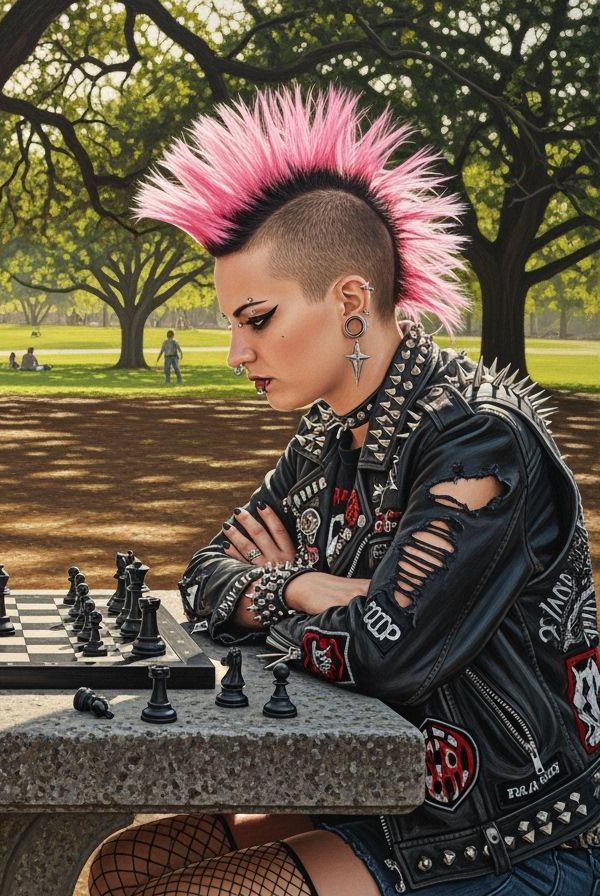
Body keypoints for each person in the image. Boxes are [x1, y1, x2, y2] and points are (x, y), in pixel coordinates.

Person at [87, 86, 599, 896]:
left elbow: (384, 653)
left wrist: (301, 607)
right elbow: (203, 579)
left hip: (510, 828)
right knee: (116, 864)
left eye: (256, 318)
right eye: (230, 324)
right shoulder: (326, 436)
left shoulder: (479, 441)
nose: (233, 352)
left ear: (352, 304)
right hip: (381, 782)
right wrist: (309, 586)